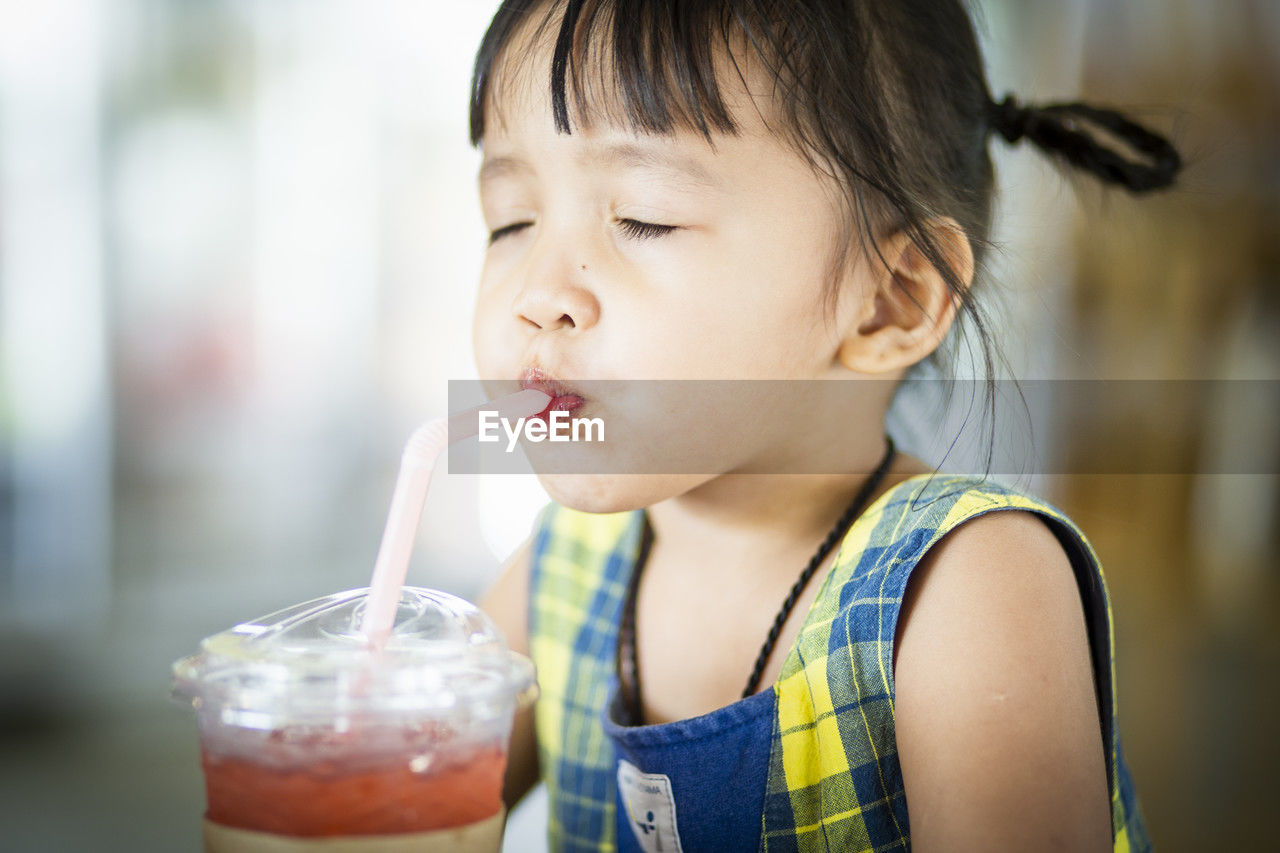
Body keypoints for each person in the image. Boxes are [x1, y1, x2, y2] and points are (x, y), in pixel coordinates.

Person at [469, 2, 1178, 850]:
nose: (536, 293)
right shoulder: (558, 579)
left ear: (891, 299)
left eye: (644, 215)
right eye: (511, 219)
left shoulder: (963, 589)